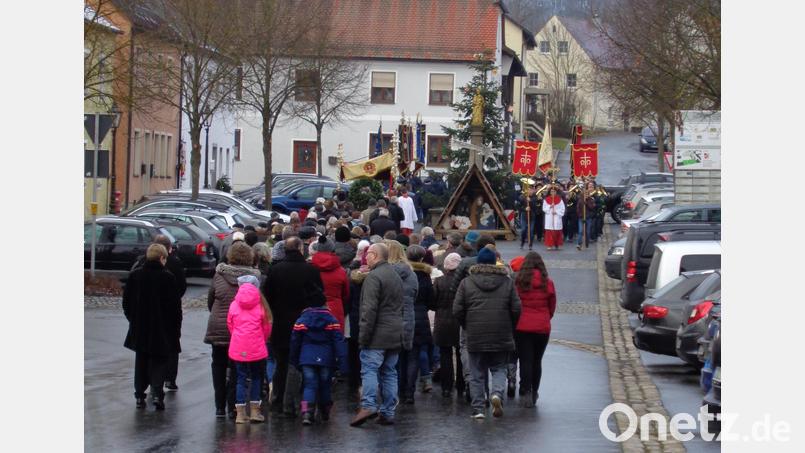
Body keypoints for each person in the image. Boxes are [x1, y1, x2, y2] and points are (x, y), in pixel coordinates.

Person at [453, 245, 521, 419]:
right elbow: (516, 308)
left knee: (476, 372)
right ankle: (496, 394)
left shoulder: (466, 283)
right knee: (499, 368)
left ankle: (478, 409)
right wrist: (509, 325)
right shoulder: (507, 282)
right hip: (501, 332)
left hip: (474, 333)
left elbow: (457, 309)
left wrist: (467, 325)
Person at [262, 237, 325, 418]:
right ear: (299, 248)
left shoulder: (275, 270)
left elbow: (268, 297)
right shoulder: (311, 270)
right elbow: (319, 297)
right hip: (304, 323)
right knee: (296, 365)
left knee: (281, 363)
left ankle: (277, 400)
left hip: (280, 324)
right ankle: (290, 404)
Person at [205, 242, 262, 419]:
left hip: (219, 326)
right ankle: (233, 407)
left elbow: (211, 298)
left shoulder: (219, 275)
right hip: (244, 328)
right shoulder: (255, 278)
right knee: (237, 368)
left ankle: (219, 406)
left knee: (218, 365)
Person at [350, 243, 405, 427]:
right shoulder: (396, 275)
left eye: (368, 255)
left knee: (370, 370)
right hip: (395, 332)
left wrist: (363, 337)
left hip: (377, 334)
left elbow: (369, 310)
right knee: (389, 372)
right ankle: (388, 412)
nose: (366, 258)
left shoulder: (373, 277)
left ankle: (368, 405)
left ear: (373, 255)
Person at [123, 244, 182, 411]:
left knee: (141, 360)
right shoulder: (168, 277)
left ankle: (140, 395)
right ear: (162, 258)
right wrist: (175, 329)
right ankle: (157, 393)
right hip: (162, 328)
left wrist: (133, 319)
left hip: (140, 327)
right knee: (159, 361)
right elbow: (175, 308)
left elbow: (126, 302)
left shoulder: (136, 275)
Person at [130, 234, 186, 392]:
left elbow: (128, 299)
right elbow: (180, 289)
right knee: (165, 353)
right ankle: (163, 383)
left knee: (142, 356)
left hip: (141, 319)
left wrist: (133, 317)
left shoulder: (139, 268)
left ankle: (141, 391)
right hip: (164, 320)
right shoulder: (172, 269)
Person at [289, 299, 347, 425]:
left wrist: (294, 359)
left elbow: (295, 342)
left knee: (308, 385)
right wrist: (342, 363)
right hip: (326, 358)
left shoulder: (302, 320)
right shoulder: (332, 320)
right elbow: (339, 342)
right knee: (325, 385)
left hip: (307, 358)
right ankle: (325, 411)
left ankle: (306, 413)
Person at [513, 252, 556, 408]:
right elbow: (552, 305)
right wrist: (545, 317)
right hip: (542, 326)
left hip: (522, 325)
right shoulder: (548, 283)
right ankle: (535, 390)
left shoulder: (519, 282)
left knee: (525, 360)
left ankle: (525, 390)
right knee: (537, 361)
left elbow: (514, 304)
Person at [227, 278, 272, 424]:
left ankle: (240, 414)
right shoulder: (261, 305)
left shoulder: (234, 304)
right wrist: (262, 340)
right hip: (256, 347)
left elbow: (230, 324)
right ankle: (254, 411)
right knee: (257, 378)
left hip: (238, 347)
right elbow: (266, 327)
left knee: (240, 379)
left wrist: (237, 338)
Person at [402, 245, 435, 404]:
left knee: (401, 356)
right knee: (414, 355)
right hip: (420, 315)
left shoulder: (401, 273)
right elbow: (430, 299)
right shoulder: (425, 275)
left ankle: (401, 389)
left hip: (402, 314)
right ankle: (409, 391)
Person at [433, 252, 463, 398]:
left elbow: (433, 302)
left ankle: (446, 387)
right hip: (460, 321)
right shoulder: (464, 282)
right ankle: (461, 384)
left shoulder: (439, 281)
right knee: (460, 353)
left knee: (445, 355)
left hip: (442, 321)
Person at [310, 235, 350, 333]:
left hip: (314, 310)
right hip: (335, 310)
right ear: (332, 249)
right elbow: (346, 294)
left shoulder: (310, 269)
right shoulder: (341, 271)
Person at [542, 186, 566, 250]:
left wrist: (557, 212)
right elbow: (544, 208)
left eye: (554, 191)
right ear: (550, 192)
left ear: (556, 192)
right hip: (549, 217)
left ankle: (556, 244)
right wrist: (550, 206)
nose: (553, 193)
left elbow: (562, 208)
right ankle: (549, 245)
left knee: (557, 231)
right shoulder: (546, 199)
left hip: (557, 217)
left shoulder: (560, 200)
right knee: (549, 231)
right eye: (552, 191)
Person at [576, 182, 597, 250]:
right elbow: (578, 209)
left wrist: (587, 203)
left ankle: (586, 243)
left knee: (587, 231)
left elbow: (592, 208)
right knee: (580, 231)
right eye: (585, 194)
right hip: (581, 218)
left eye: (587, 194)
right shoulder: (580, 201)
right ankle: (579, 244)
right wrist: (580, 215)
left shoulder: (591, 200)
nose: (586, 195)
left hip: (588, 218)